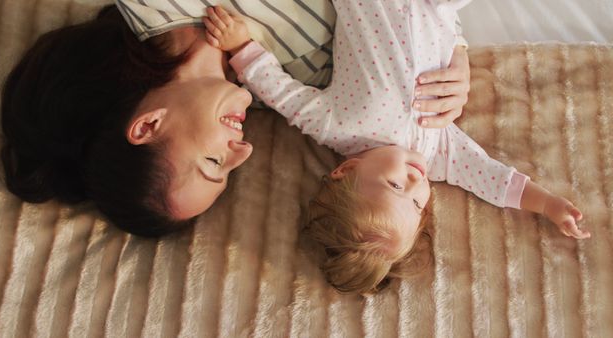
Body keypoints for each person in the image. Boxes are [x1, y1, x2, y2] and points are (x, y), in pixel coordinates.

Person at [202, 0, 591, 294]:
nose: (415, 180)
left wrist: (242, 48)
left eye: (394, 187)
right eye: (418, 203)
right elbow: (492, 179)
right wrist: (548, 205)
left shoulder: (335, 125)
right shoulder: (436, 153)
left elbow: (280, 93)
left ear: (346, 170)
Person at [0, 1, 471, 237]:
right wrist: (454, 53)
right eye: (231, 172)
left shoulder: (152, 5)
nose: (242, 152)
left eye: (212, 163)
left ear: (148, 126)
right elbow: (397, 34)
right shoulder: (282, 84)